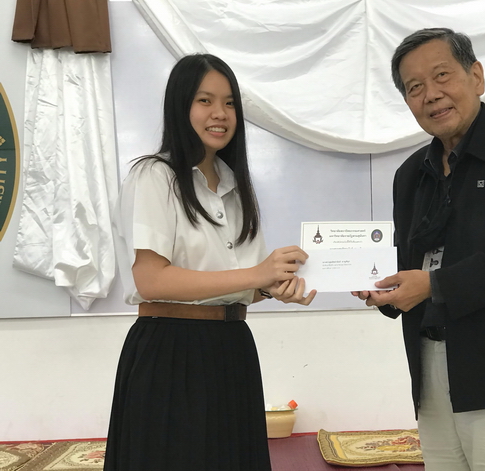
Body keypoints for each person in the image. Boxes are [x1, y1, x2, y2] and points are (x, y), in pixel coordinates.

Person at [354, 28, 485, 471]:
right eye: (414, 87)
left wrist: (433, 285)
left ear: (476, 76)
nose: (431, 94)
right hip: (430, 363)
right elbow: (408, 265)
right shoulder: (410, 174)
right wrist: (379, 288)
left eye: (442, 75)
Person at [104, 53, 316, 471]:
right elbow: (151, 280)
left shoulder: (235, 185)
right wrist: (257, 274)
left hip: (232, 349)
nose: (220, 113)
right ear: (180, 106)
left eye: (230, 103)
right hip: (171, 352)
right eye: (205, 101)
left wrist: (273, 287)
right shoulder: (154, 175)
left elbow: (238, 284)